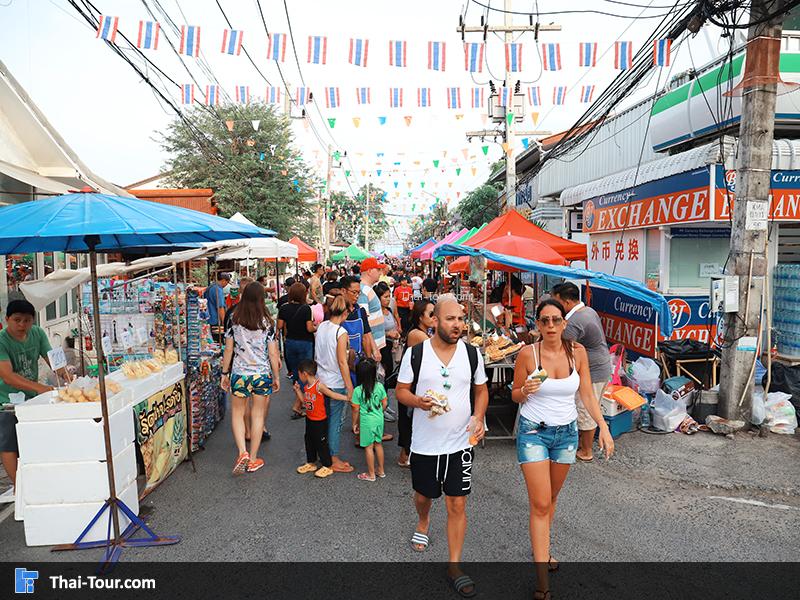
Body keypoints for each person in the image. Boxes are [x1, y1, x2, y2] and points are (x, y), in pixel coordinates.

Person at [511, 299, 614, 599]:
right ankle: (542, 582)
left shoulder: (577, 352)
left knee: (551, 498)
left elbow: (587, 393)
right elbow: (515, 394)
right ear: (538, 325)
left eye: (556, 320)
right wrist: (524, 391)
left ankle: (543, 549)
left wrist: (603, 427)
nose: (551, 325)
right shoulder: (528, 354)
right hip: (533, 433)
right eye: (545, 320)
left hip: (566, 435)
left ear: (565, 323)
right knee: (540, 504)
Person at [396, 299, 488, 597]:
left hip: (460, 443)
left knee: (457, 503)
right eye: (451, 319)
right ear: (434, 320)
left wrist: (478, 417)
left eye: (461, 318)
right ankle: (423, 521)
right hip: (425, 444)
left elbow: (481, 389)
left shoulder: (472, 354)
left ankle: (454, 566)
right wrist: (418, 402)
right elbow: (401, 391)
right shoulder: (416, 353)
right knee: (424, 496)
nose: (457, 324)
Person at [0, 300, 71, 502]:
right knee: (8, 443)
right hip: (5, 400)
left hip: (31, 398)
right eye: (17, 320)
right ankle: (19, 486)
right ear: (7, 319)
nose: (22, 325)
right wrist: (40, 388)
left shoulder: (38, 333)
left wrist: (68, 376)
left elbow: (54, 361)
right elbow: (8, 376)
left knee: (34, 438)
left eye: (27, 320)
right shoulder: (1, 341)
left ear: (33, 321)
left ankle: (37, 480)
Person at [221, 282, 280, 475]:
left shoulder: (234, 319)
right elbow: (273, 353)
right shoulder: (268, 322)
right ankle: (253, 459)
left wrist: (224, 373)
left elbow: (228, 349)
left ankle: (242, 452)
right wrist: (276, 376)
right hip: (262, 373)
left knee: (237, 413)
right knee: (258, 415)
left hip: (239, 373)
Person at [551, 282, 613, 462]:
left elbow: (559, 346)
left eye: (556, 302)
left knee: (586, 410)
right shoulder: (588, 311)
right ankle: (582, 444)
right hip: (601, 366)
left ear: (567, 302)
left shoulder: (576, 320)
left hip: (593, 371)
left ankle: (586, 451)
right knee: (588, 407)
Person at [314, 295, 355, 473]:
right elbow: (342, 362)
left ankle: (323, 453)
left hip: (320, 379)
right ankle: (333, 457)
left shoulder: (322, 326)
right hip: (335, 381)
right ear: (345, 312)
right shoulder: (341, 332)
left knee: (323, 419)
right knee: (335, 421)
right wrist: (350, 387)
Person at [396, 299, 436, 468]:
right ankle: (406, 455)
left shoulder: (423, 332)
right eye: (431, 314)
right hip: (410, 385)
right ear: (420, 317)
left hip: (416, 383)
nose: (434, 317)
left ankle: (407, 455)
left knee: (412, 419)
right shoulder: (417, 335)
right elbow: (435, 348)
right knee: (410, 419)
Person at [294, 359, 348, 479]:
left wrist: (347, 398)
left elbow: (332, 394)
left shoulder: (319, 386)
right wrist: (297, 391)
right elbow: (305, 402)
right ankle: (311, 462)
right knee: (309, 440)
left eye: (299, 374)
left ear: (304, 374)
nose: (299, 377)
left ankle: (327, 465)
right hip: (310, 419)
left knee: (321, 443)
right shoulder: (306, 387)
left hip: (320, 421)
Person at [277, 282, 317, 419]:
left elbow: (279, 325)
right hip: (305, 342)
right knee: (306, 373)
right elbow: (309, 328)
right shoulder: (306, 309)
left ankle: (300, 400)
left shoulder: (284, 307)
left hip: (290, 342)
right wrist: (317, 327)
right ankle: (298, 404)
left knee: (295, 372)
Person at [350, 358, 388, 482]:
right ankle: (381, 470)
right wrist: (379, 412)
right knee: (378, 444)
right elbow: (385, 403)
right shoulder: (380, 386)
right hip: (379, 419)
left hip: (366, 422)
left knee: (368, 447)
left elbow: (355, 410)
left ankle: (371, 474)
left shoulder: (357, 391)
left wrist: (354, 424)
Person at [375, 283, 399, 421]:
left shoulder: (389, 310)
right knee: (380, 377)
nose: (388, 299)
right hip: (380, 348)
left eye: (389, 296)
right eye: (385, 297)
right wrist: (388, 334)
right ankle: (380, 408)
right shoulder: (375, 313)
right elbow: (372, 332)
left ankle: (385, 403)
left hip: (389, 347)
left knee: (388, 376)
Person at [357, 257, 386, 362]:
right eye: (378, 270)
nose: (380, 273)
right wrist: (373, 349)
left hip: (373, 346)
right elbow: (364, 322)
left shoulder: (366, 289)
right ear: (369, 271)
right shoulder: (363, 291)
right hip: (370, 348)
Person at [205, 273, 230, 340]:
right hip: (215, 320)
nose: (226, 285)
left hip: (208, 319)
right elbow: (220, 307)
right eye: (227, 282)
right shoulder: (218, 290)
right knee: (217, 340)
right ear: (223, 280)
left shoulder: (210, 287)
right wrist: (224, 322)